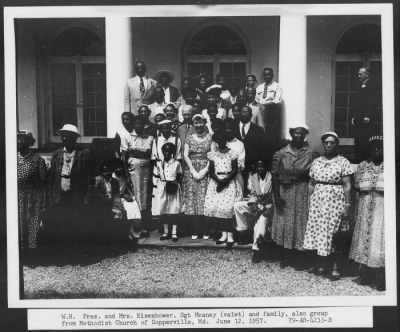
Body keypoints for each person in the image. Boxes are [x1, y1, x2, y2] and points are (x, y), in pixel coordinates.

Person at [303, 132, 353, 280]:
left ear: (336, 144)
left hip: (335, 200)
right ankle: (322, 264)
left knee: (334, 233)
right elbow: (311, 183)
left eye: (332, 142)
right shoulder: (317, 161)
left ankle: (336, 266)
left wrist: (347, 205)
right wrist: (309, 203)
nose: (329, 145)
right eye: (326, 142)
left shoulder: (343, 162)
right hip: (318, 201)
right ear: (323, 144)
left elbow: (347, 185)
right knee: (320, 231)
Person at [271, 125, 317, 269]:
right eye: (296, 133)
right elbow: (274, 176)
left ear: (305, 136)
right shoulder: (281, 153)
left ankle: (300, 257)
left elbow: (314, 173)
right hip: (285, 191)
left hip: (303, 190)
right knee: (286, 223)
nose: (299, 136)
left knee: (301, 222)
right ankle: (285, 256)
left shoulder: (311, 153)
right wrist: (277, 196)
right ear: (291, 134)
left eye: (302, 134)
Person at [46, 124, 91, 249]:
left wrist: (86, 198)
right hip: (60, 192)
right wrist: (50, 196)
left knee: (75, 222)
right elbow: (51, 178)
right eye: (64, 136)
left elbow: (88, 178)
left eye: (70, 136)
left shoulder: (84, 154)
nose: (66, 139)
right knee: (60, 222)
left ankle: (75, 252)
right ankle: (62, 251)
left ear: (75, 138)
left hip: (76, 193)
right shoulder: (56, 154)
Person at [349, 136, 385, 290]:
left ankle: (381, 277)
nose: (377, 149)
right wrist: (355, 211)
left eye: (380, 146)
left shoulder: (390, 165)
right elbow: (357, 190)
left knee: (380, 240)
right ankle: (366, 274)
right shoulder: (363, 166)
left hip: (383, 207)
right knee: (364, 239)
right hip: (364, 206)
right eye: (374, 147)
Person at [204, 130, 240, 249]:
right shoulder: (213, 154)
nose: (220, 143)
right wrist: (218, 181)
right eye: (218, 141)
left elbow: (235, 170)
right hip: (216, 183)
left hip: (228, 183)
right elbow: (211, 170)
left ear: (226, 141)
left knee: (227, 210)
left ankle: (230, 236)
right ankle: (223, 235)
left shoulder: (232, 153)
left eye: (222, 140)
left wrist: (225, 181)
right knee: (219, 209)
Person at [121, 116, 154, 238]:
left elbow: (151, 155)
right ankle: (135, 227)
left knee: (145, 197)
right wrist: (126, 176)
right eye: (136, 123)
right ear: (133, 124)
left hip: (147, 170)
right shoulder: (127, 137)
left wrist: (136, 152)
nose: (139, 125)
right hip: (133, 171)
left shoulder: (150, 138)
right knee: (136, 196)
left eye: (141, 123)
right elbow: (124, 157)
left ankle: (144, 225)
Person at [234, 160, 273, 262]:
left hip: (269, 207)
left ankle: (256, 250)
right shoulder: (254, 177)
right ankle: (244, 230)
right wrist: (253, 204)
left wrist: (266, 207)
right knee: (238, 206)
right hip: (257, 204)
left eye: (262, 167)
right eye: (258, 167)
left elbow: (275, 196)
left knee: (261, 222)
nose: (260, 169)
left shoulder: (272, 177)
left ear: (266, 167)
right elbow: (253, 194)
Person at [17, 130, 47, 263]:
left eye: (22, 139)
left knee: (32, 227)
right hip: (18, 198)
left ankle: (33, 257)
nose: (19, 142)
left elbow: (43, 182)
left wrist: (43, 203)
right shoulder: (13, 159)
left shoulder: (37, 160)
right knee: (20, 226)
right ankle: (22, 257)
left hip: (33, 199)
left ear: (29, 142)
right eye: (18, 139)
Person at [182, 114, 213, 239]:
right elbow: (185, 155)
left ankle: (205, 230)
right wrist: (193, 170)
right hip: (191, 171)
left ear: (205, 123)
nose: (199, 125)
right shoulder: (189, 138)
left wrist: (205, 171)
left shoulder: (210, 138)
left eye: (201, 123)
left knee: (204, 199)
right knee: (193, 200)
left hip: (206, 170)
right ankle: (195, 230)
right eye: (196, 123)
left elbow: (212, 155)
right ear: (193, 124)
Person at [151, 119, 182, 217]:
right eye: (163, 129)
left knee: (173, 201)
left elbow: (178, 158)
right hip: (160, 171)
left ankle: (173, 227)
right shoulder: (156, 140)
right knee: (160, 199)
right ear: (160, 129)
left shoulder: (177, 140)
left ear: (171, 128)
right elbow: (154, 158)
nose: (166, 131)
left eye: (168, 128)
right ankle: (162, 225)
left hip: (172, 170)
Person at [351, 67, 382, 162]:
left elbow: (372, 102)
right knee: (359, 139)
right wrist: (354, 116)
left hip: (366, 118)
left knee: (365, 139)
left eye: (360, 74)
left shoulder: (372, 85)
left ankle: (365, 160)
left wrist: (368, 115)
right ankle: (359, 159)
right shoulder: (360, 85)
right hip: (358, 118)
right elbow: (357, 103)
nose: (358, 76)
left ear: (367, 74)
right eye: (358, 74)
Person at [155, 143, 183, 242]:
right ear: (162, 151)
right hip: (163, 188)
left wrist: (175, 182)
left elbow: (180, 174)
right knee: (164, 211)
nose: (167, 153)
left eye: (169, 151)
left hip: (173, 188)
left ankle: (174, 232)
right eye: (165, 151)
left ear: (173, 152)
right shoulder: (159, 163)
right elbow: (157, 176)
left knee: (173, 211)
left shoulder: (177, 163)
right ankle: (166, 232)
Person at [235, 105, 266, 185]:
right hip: (235, 167)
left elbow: (262, 149)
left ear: (251, 115)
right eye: (243, 112)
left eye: (247, 112)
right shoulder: (233, 128)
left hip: (252, 167)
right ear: (239, 114)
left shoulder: (259, 130)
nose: (245, 114)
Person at [112, 160, 141, 240]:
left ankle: (131, 230)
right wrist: (124, 195)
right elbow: (113, 192)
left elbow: (126, 187)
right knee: (126, 207)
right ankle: (128, 232)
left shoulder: (124, 175)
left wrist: (131, 196)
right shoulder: (113, 177)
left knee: (133, 204)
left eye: (120, 168)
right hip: (115, 198)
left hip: (122, 196)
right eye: (116, 168)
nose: (118, 169)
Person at [255, 68, 283, 142]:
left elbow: (277, 100)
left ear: (272, 75)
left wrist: (265, 105)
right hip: (261, 111)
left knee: (271, 134)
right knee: (261, 131)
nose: (267, 76)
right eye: (265, 75)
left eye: (269, 74)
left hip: (272, 112)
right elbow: (256, 99)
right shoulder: (259, 87)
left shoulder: (277, 86)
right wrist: (261, 106)